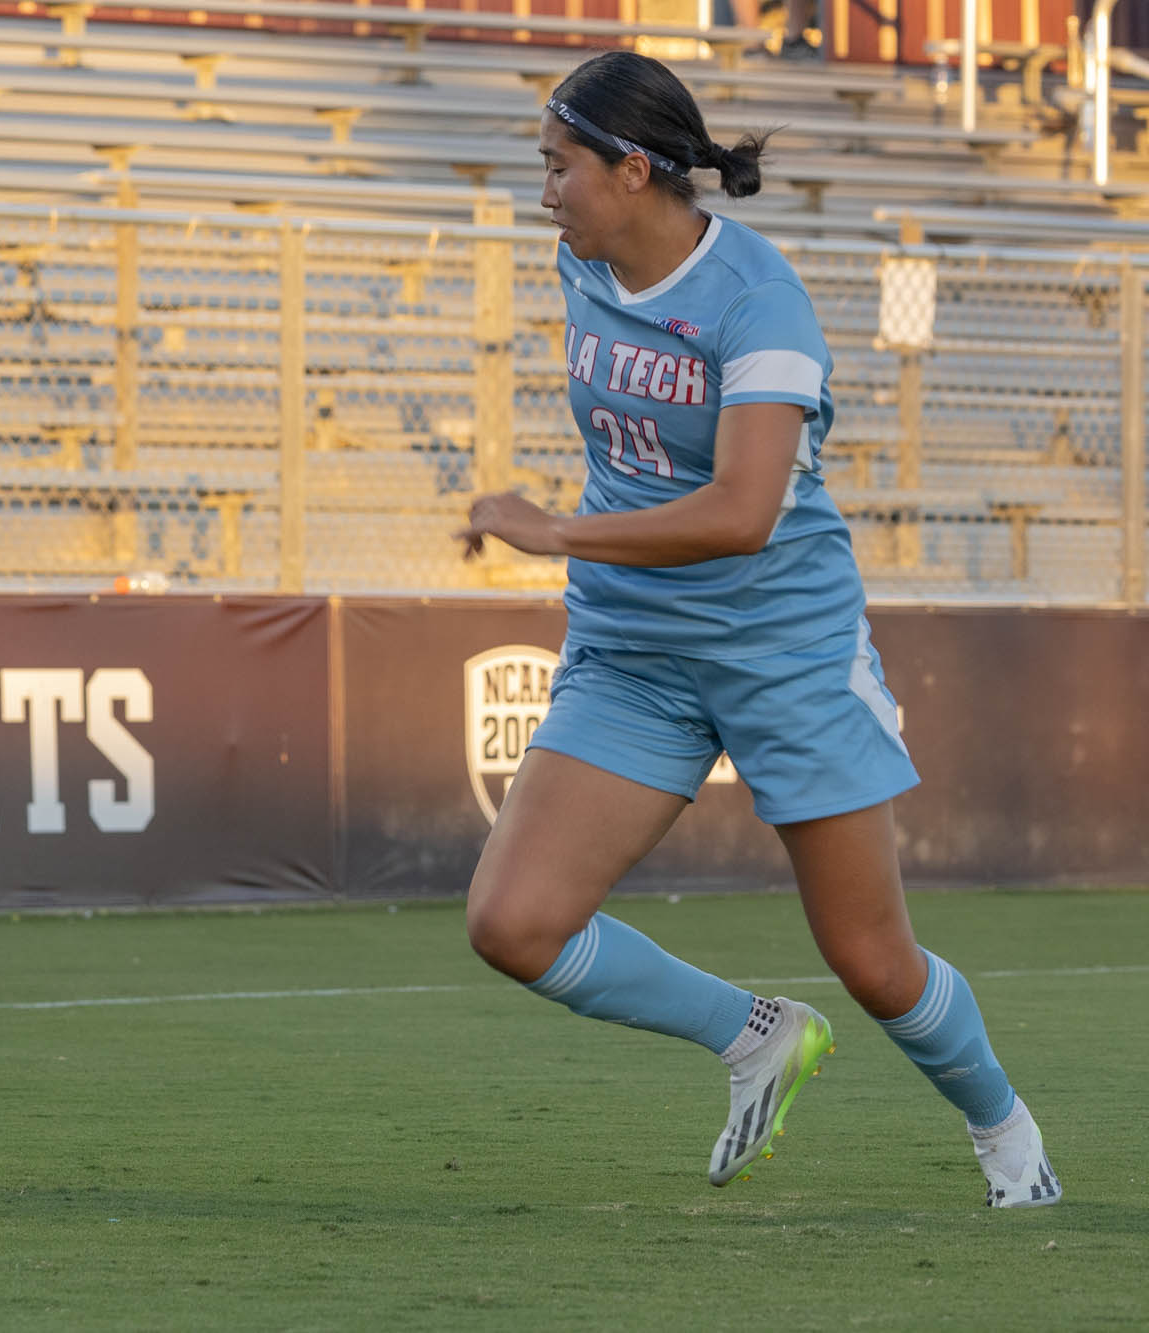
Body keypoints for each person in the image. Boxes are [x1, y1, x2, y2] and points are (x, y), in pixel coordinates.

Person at [454, 51, 1059, 1207]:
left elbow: (740, 515)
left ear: (633, 169)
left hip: (780, 651)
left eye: (556, 166)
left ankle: (1003, 1129)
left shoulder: (760, 303)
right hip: (633, 650)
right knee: (513, 921)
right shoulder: (580, 267)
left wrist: (555, 530)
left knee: (873, 960)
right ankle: (754, 1038)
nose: (542, 191)